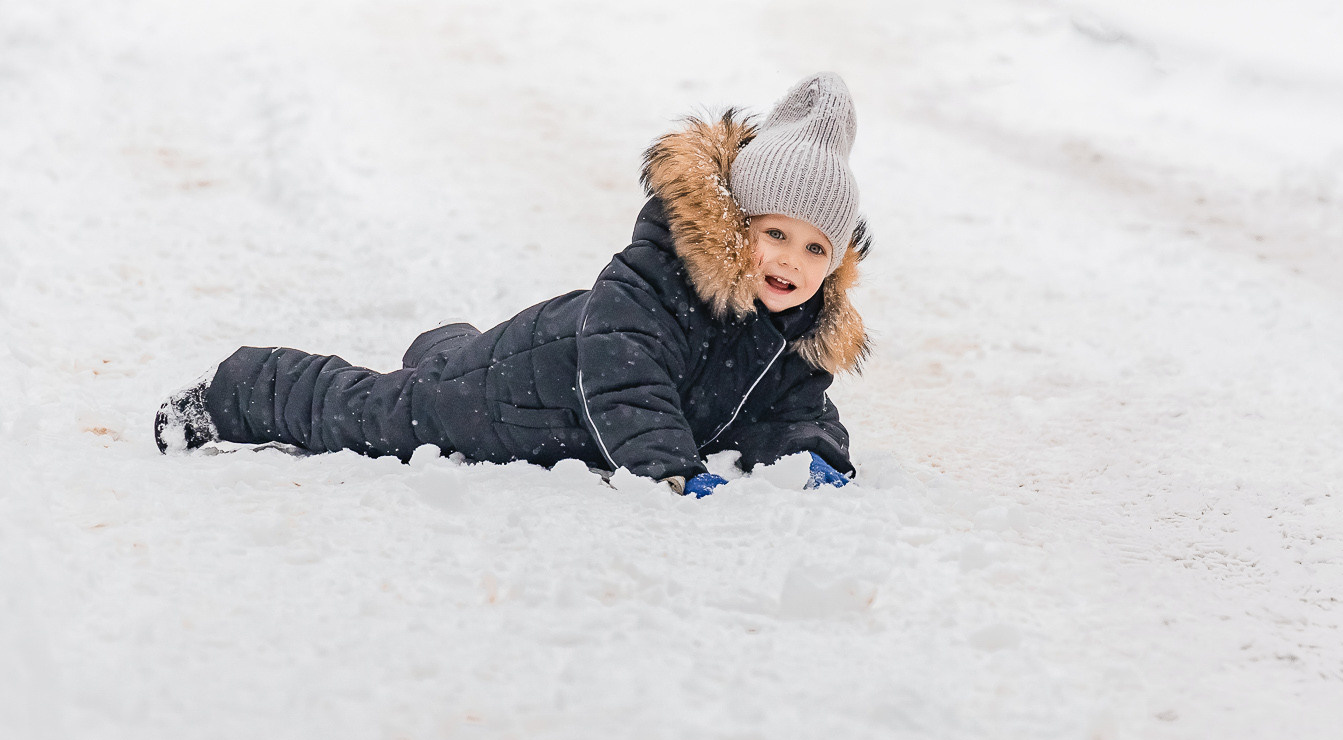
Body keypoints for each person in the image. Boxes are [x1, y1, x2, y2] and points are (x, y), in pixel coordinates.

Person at [154, 73, 868, 497]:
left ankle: (443, 345)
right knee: (378, 414)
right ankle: (239, 390)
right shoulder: (657, 280)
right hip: (512, 397)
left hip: (548, 393)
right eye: (775, 232)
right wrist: (672, 469)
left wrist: (813, 454)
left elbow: (793, 407)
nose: (791, 260)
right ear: (737, 222)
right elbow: (628, 384)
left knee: (445, 362)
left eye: (814, 247)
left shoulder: (793, 330)